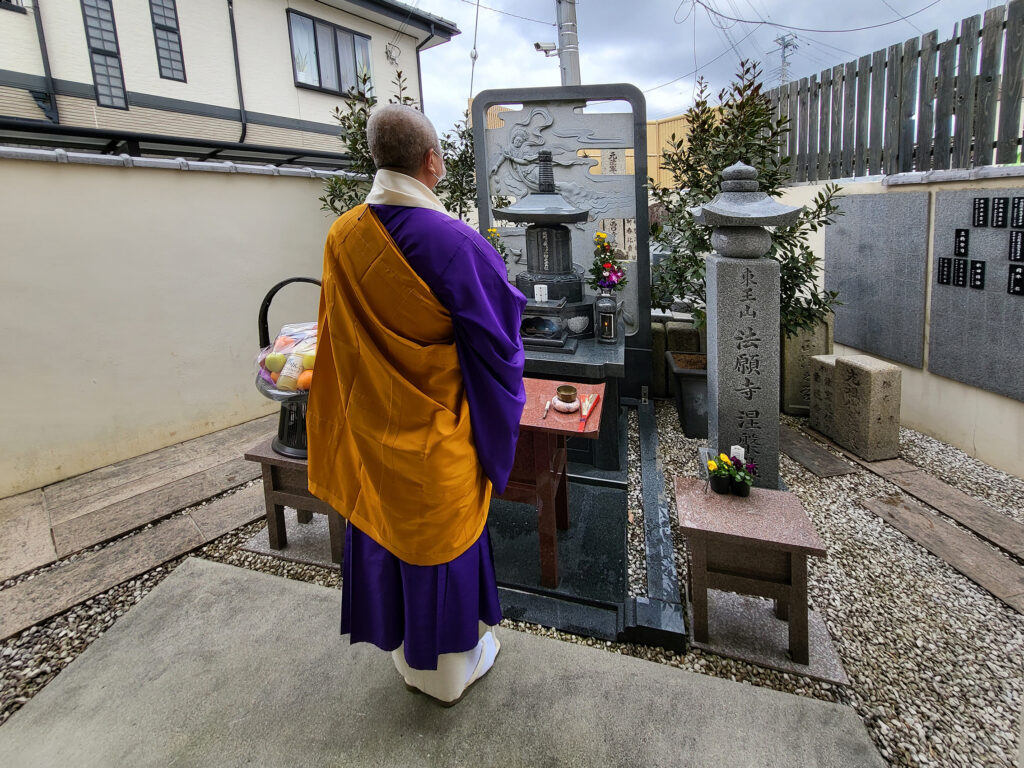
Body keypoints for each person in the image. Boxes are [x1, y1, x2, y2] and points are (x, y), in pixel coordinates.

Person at [306, 104, 526, 706]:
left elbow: (336, 337)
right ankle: (449, 677)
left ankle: (410, 661)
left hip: (372, 433)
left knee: (388, 538)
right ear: (432, 162)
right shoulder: (458, 243)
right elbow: (501, 352)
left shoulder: (342, 235)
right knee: (438, 546)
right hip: (437, 439)